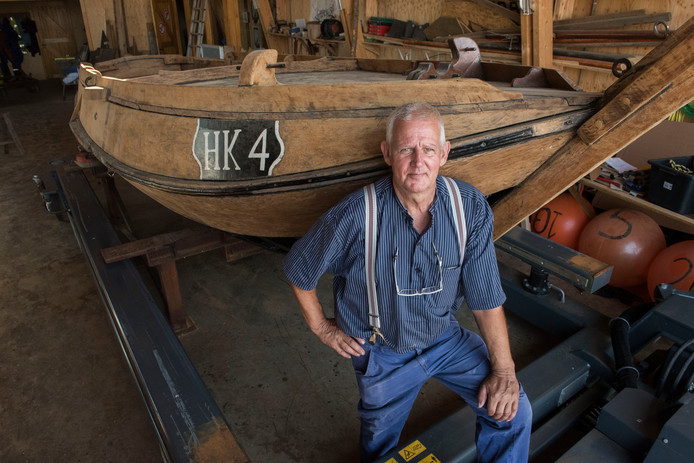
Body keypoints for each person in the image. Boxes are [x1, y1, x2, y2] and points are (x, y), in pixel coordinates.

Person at [283, 102, 532, 462]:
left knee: (513, 412)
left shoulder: (470, 208)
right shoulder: (357, 213)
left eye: (428, 149)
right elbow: (299, 269)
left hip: (444, 339)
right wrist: (323, 328)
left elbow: (485, 298)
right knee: (379, 449)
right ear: (387, 154)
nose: (418, 161)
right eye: (406, 149)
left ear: (444, 153)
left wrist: (505, 370)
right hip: (383, 352)